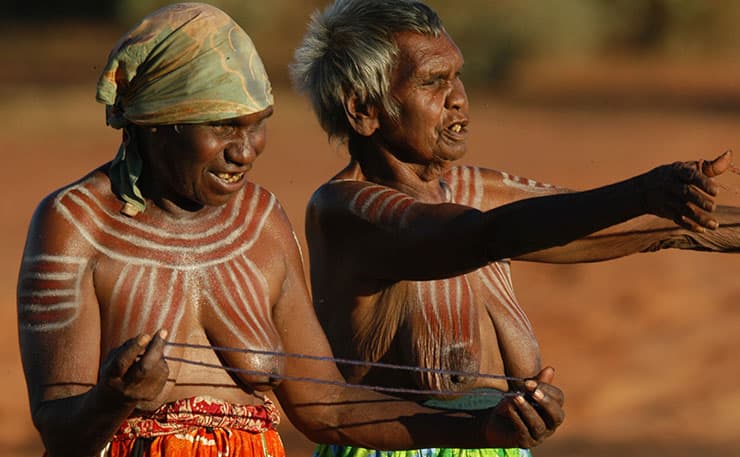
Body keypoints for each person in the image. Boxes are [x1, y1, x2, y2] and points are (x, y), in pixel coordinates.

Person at [16, 3, 569, 457]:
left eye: (257, 128)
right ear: (158, 125)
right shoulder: (76, 224)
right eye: (222, 129)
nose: (244, 151)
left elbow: (326, 408)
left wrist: (479, 431)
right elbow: (59, 431)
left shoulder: (261, 221)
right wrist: (111, 401)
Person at [290, 1, 740, 456]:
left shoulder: (474, 190)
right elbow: (480, 236)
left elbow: (651, 226)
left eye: (457, 76)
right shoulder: (345, 210)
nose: (459, 97)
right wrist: (641, 192)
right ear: (364, 109)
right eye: (433, 82)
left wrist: (664, 204)